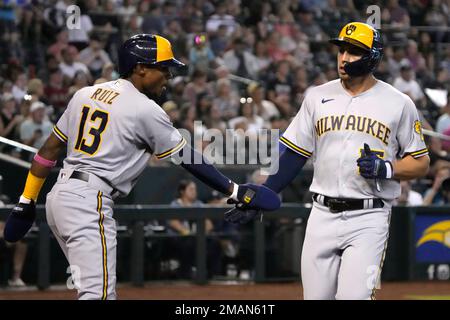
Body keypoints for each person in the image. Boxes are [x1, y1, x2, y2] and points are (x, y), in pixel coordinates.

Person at [2, 34, 280, 300]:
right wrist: (235, 190)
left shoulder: (84, 94)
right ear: (140, 69)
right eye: (164, 69)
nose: (169, 77)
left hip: (59, 199)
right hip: (89, 201)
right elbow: (188, 157)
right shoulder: (144, 108)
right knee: (97, 295)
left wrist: (26, 200)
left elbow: (48, 150)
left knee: (92, 291)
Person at [225, 22, 430, 300]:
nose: (344, 58)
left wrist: (387, 168)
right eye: (341, 50)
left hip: (369, 217)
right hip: (321, 214)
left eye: (354, 51)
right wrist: (268, 191)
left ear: (372, 57)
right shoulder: (318, 96)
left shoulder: (398, 103)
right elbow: (296, 152)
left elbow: (421, 162)